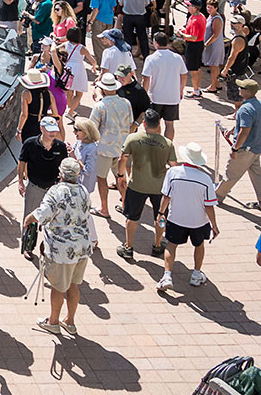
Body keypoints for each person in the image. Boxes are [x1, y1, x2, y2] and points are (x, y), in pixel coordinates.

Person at [24, 158, 92, 336]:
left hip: (62, 250)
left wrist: (29, 218)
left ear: (60, 173)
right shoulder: (84, 190)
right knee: (74, 285)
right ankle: (70, 321)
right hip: (82, 246)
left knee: (58, 286)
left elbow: (44, 214)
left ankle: (53, 322)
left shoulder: (56, 191)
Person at [158, 143, 220, 292]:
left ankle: (167, 276)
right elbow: (209, 206)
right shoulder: (205, 179)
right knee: (199, 246)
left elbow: (166, 197)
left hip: (176, 218)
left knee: (171, 245)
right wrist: (214, 225)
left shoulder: (173, 173)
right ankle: (196, 274)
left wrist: (161, 213)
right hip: (198, 221)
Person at [117, 109, 177, 261]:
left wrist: (120, 175)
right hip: (159, 187)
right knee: (161, 216)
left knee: (132, 217)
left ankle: (129, 247)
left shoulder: (133, 138)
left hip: (137, 184)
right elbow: (174, 166)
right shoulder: (167, 144)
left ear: (144, 124)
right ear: (159, 125)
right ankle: (157, 245)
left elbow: (122, 159)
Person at [89, 73, 133, 217]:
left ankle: (104, 209)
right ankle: (126, 205)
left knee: (102, 178)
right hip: (122, 147)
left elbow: (92, 128)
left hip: (104, 148)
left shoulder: (100, 106)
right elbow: (131, 122)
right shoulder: (126, 103)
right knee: (120, 176)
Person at [217, 78, 261, 208]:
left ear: (247, 92)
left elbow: (245, 131)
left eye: (241, 87)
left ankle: (217, 196)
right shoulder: (258, 105)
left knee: (230, 174)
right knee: (257, 176)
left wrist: (235, 148)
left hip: (244, 149)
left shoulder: (245, 109)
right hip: (256, 148)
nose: (238, 89)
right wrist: (233, 129)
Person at [17, 117, 65, 227]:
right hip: (35, 187)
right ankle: (25, 243)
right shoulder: (30, 143)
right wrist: (20, 181)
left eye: (54, 130)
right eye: (49, 130)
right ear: (41, 128)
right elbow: (22, 162)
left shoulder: (61, 147)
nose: (53, 133)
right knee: (28, 220)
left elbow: (64, 165)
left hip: (54, 189)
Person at [142, 32, 185, 140]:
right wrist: (180, 90)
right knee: (170, 124)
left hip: (156, 97)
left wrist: (144, 94)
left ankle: (156, 144)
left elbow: (146, 79)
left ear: (155, 43)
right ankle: (168, 147)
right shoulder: (177, 58)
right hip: (172, 97)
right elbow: (184, 75)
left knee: (154, 123)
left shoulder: (151, 59)